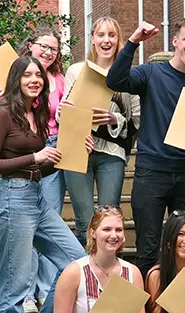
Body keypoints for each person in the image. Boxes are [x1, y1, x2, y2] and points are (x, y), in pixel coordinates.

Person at [106, 17, 185, 278]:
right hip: (152, 174)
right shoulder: (151, 73)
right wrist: (133, 42)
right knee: (148, 249)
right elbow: (115, 81)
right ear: (175, 42)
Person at [0, 56, 93, 313]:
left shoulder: (38, 113)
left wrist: (74, 151)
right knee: (14, 289)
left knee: (78, 262)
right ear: (15, 79)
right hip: (11, 197)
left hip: (35, 195)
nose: (34, 80)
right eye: (27, 75)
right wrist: (34, 157)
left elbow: (40, 168)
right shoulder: (4, 111)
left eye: (38, 75)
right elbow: (27, 162)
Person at [56, 17, 140, 247]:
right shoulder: (76, 71)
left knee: (109, 220)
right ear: (92, 39)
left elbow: (137, 119)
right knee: (84, 222)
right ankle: (86, 279)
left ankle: (111, 278)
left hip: (111, 154)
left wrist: (114, 118)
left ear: (118, 40)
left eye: (111, 35)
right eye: (101, 35)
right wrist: (65, 111)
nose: (106, 40)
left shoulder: (129, 75)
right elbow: (61, 116)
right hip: (77, 150)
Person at [17, 26, 67, 312]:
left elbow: (65, 114)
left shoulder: (59, 80)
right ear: (31, 45)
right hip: (25, 151)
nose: (48, 52)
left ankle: (46, 291)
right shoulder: (16, 76)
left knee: (48, 221)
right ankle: (26, 294)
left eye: (53, 48)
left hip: (53, 148)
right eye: (43, 46)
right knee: (24, 232)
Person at [54, 205, 144, 313]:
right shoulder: (73, 273)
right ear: (93, 233)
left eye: (119, 230)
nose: (114, 235)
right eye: (107, 229)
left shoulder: (133, 273)